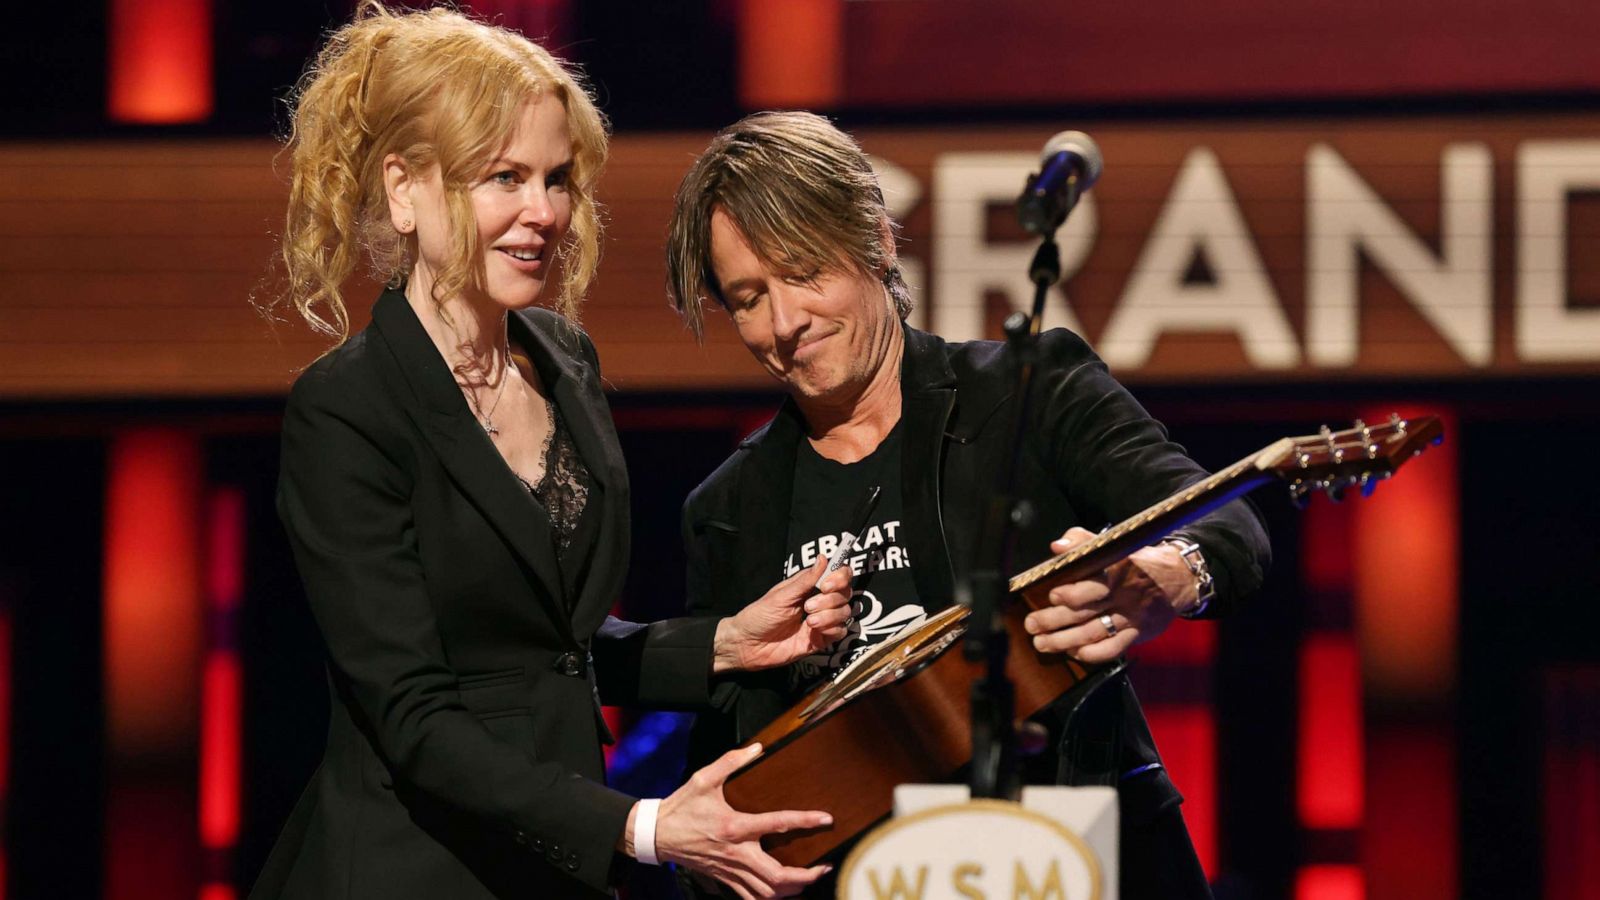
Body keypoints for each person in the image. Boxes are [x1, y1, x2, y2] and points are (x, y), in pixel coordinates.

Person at [251, 8, 853, 899]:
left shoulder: (565, 358)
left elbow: (540, 652)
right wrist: (645, 826)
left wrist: (723, 646)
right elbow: (415, 714)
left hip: (548, 870)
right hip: (409, 872)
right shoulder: (347, 408)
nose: (543, 213)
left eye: (557, 178)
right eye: (503, 178)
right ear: (405, 189)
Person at [664, 111, 1272, 899]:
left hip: (1072, 855)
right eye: (748, 298)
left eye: (804, 271)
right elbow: (734, 765)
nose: (784, 323)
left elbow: (1223, 520)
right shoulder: (728, 508)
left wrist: (1167, 574)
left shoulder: (1028, 392)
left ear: (878, 242)